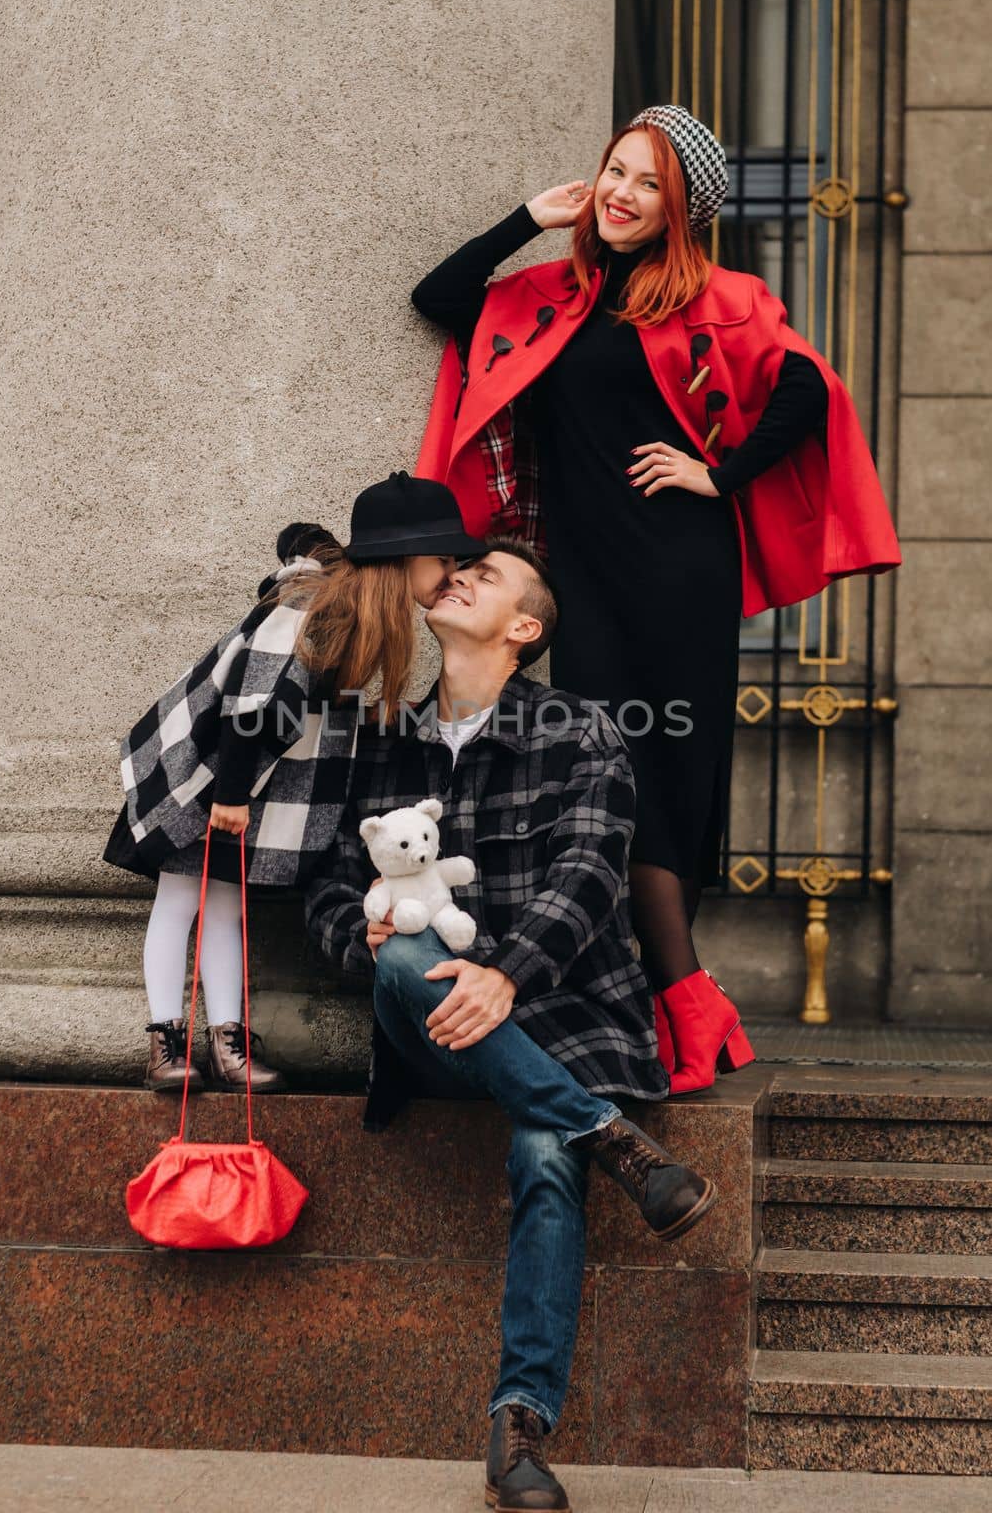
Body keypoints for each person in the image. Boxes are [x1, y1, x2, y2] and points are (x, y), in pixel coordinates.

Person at [409, 103, 902, 1095]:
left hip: (677, 570)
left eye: (648, 184)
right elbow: (440, 296)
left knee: (660, 782)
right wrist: (530, 218)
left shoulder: (716, 299)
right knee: (611, 781)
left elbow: (807, 393)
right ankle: (689, 1004)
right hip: (581, 578)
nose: (623, 194)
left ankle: (677, 1008)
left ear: (681, 209)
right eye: (615, 171)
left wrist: (716, 477)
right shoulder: (551, 292)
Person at [304, 535, 717, 1513]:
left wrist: (504, 974)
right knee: (404, 954)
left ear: (522, 628)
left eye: (483, 577)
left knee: (542, 1157)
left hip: (566, 1016)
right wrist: (355, 933)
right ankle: (614, 1139)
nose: (456, 578)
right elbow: (322, 885)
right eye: (458, 571)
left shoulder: (581, 730)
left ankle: (517, 1428)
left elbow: (585, 878)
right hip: (426, 1020)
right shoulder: (383, 742)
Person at [103, 472, 486, 1091]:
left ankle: (227, 1041)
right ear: (402, 557)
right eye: (441, 558)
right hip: (209, 781)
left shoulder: (360, 621)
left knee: (226, 912)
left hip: (248, 792)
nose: (450, 573)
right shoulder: (315, 610)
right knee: (178, 902)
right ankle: (165, 1040)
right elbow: (252, 710)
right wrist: (227, 796)